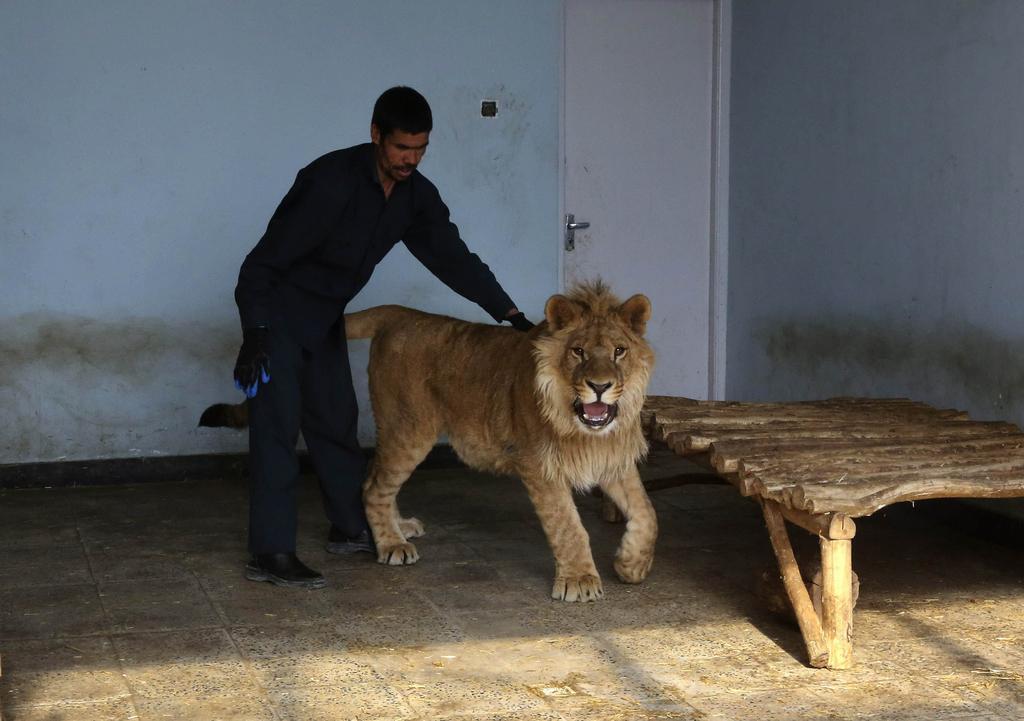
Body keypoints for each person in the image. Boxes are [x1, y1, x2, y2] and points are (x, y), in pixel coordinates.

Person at [232, 86, 533, 589]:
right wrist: (256, 331)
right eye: (400, 149)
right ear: (376, 135)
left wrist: (510, 313)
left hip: (324, 319)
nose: (409, 160)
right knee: (277, 434)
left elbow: (454, 258)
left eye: (419, 150)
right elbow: (260, 264)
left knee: (337, 425)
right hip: (280, 318)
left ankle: (351, 528)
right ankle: (270, 551)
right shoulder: (329, 181)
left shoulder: (415, 196)